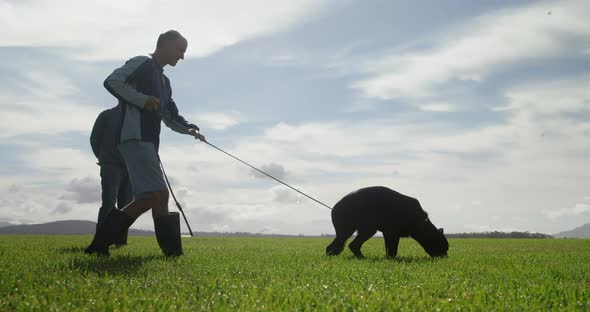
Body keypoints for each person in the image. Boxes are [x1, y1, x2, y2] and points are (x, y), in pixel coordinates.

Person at [85, 30, 206, 257]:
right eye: (180, 50)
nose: (182, 56)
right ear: (165, 45)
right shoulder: (142, 63)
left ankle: (170, 253)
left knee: (154, 197)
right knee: (157, 194)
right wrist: (142, 100)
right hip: (134, 138)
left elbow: (170, 116)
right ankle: (100, 246)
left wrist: (189, 129)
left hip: (148, 142)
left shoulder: (165, 81)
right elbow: (111, 81)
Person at [90, 104, 133, 247]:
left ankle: (121, 242)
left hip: (131, 167)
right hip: (111, 165)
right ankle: (100, 241)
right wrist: (104, 159)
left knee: (126, 206)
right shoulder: (106, 115)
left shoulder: (135, 118)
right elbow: (94, 139)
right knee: (108, 203)